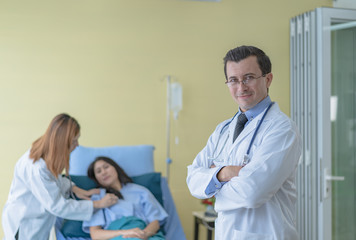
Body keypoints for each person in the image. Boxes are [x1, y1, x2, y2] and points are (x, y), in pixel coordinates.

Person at [186, 45, 302, 240]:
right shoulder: (223, 130)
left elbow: (252, 192)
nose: (241, 87)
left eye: (248, 77)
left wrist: (213, 184)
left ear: (268, 79)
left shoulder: (282, 129)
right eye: (233, 80)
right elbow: (192, 180)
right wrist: (226, 172)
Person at [2, 113, 118, 240]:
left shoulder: (47, 156)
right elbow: (58, 206)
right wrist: (98, 204)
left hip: (38, 222)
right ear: (61, 142)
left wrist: (75, 189)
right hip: (26, 225)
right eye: (74, 141)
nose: (77, 145)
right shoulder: (36, 168)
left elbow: (53, 180)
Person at [83, 156, 168, 240]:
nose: (103, 172)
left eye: (106, 167)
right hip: (117, 236)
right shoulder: (98, 199)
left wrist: (144, 235)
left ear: (115, 168)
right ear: (96, 179)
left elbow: (155, 222)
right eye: (98, 171)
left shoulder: (141, 191)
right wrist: (126, 232)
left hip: (143, 233)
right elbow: (95, 235)